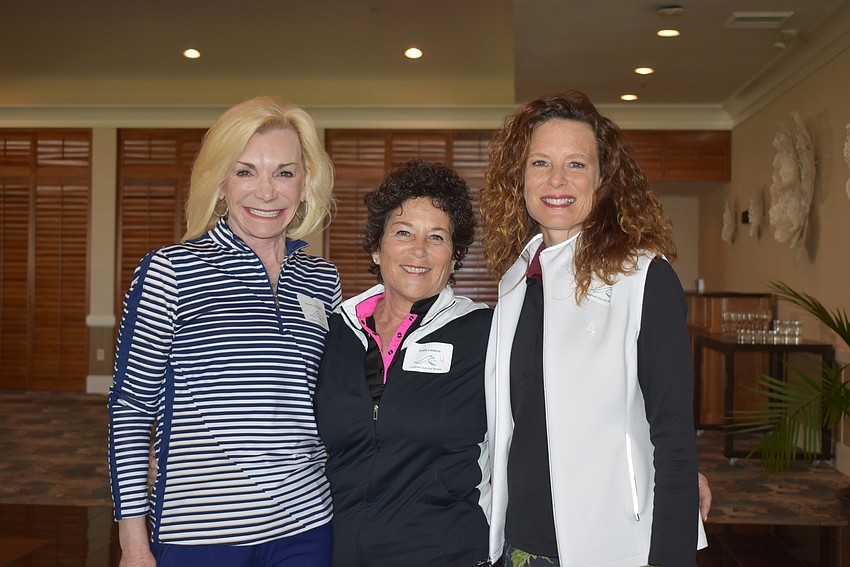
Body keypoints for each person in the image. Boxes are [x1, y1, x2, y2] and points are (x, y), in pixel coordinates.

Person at [108, 96, 339, 567]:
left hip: (307, 527)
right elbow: (131, 409)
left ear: (305, 185)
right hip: (200, 533)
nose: (266, 192)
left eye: (284, 172)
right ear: (220, 184)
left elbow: (331, 400)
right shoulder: (171, 272)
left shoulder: (323, 279)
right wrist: (133, 543)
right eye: (245, 171)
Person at [480, 91, 706, 567]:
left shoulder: (643, 277)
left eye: (576, 164)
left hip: (615, 547)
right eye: (540, 162)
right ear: (520, 177)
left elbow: (674, 438)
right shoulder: (515, 281)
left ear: (603, 179)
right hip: (521, 544)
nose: (556, 179)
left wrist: (673, 555)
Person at [314, 160, 493, 566]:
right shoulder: (335, 332)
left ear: (454, 256)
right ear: (377, 248)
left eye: (436, 237)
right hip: (339, 554)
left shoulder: (485, 335)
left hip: (447, 554)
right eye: (403, 232)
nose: (419, 250)